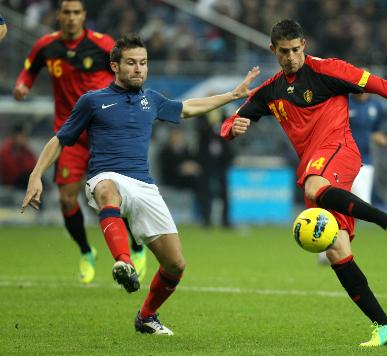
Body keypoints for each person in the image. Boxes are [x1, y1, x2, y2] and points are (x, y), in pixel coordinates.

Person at [221, 19, 387, 347]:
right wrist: (231, 129)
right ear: (272, 50)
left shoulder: (330, 70)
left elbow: (382, 86)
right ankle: (385, 327)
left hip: (339, 150)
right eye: (283, 52)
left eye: (295, 50)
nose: (290, 57)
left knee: (313, 188)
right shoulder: (272, 90)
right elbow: (234, 118)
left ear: (304, 44)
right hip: (313, 165)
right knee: (335, 249)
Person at [21, 34, 259, 335]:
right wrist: (36, 175)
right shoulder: (92, 101)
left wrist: (233, 95)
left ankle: (146, 316)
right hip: (104, 177)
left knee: (175, 265)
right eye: (131, 63)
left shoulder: (152, 100)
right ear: (115, 66)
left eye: (143, 63)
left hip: (144, 186)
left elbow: (188, 107)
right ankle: (124, 263)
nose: (138, 69)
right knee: (108, 191)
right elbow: (60, 140)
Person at [13, 0, 146, 284]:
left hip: (104, 132)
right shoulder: (46, 46)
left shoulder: (102, 44)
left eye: (77, 13)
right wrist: (23, 83)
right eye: (67, 12)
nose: (72, 18)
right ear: (59, 15)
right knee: (66, 198)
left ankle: (135, 246)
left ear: (84, 16)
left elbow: (128, 74)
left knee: (118, 195)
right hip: (70, 135)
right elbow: (29, 70)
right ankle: (87, 252)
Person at [318, 92, 387, 263]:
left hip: (365, 163)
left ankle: (338, 245)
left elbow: (376, 130)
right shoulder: (344, 102)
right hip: (341, 161)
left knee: (360, 206)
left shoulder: (376, 106)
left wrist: (381, 138)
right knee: (336, 204)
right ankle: (325, 249)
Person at [0, 124, 37, 189]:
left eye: (24, 137)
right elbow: (9, 171)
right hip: (11, 183)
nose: (23, 139)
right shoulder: (5, 151)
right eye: (21, 136)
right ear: (15, 136)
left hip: (24, 181)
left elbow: (33, 166)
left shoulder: (27, 151)